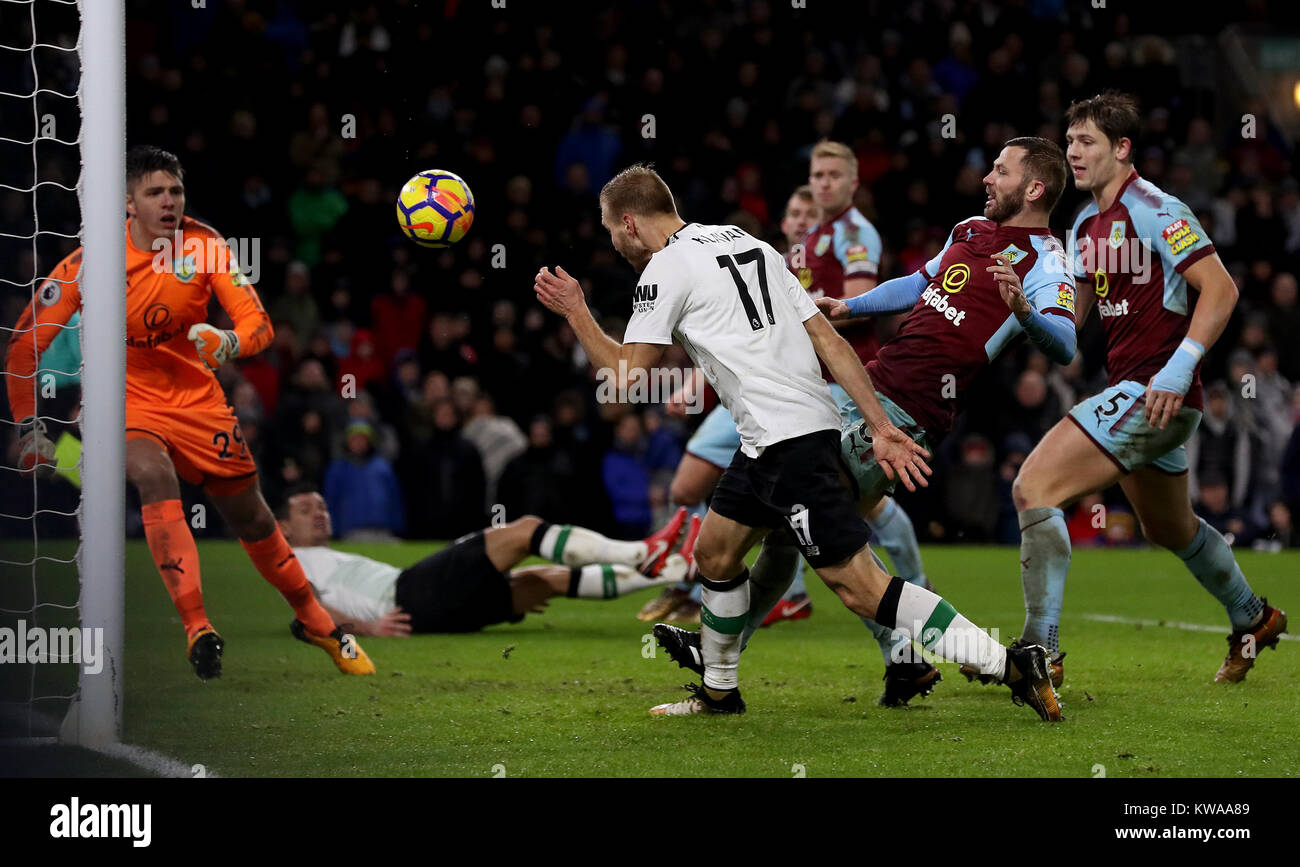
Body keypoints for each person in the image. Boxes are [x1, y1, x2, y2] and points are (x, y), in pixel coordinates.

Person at [535, 163, 1061, 720]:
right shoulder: (749, 243)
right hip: (775, 437)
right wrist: (878, 427)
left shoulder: (663, 270)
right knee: (714, 553)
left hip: (791, 446)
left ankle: (1009, 663)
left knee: (859, 586)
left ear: (630, 222)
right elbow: (827, 340)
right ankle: (719, 691)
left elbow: (625, 376)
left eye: (611, 231)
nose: (614, 243)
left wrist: (576, 311)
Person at [659, 138, 1081, 704]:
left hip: (908, 412)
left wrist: (1026, 312)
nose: (987, 179)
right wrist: (850, 307)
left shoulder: (1048, 261)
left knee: (820, 540)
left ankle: (971, 660)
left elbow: (1066, 345)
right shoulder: (970, 231)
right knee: (792, 537)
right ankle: (741, 662)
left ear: (1034, 189)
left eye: (1001, 172)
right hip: (872, 385)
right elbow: (918, 286)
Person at [6, 145, 373, 681]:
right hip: (126, 403)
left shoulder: (207, 248)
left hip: (199, 403)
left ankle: (316, 621)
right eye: (155, 191)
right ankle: (198, 627)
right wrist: (29, 426)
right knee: (154, 476)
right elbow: (22, 349)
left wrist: (228, 340)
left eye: (175, 190)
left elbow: (260, 326)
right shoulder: (90, 263)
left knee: (252, 517)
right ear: (128, 202)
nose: (169, 201)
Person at [1010, 92, 1286, 685]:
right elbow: (1070, 328)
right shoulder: (1085, 222)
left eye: (1086, 141)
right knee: (1169, 529)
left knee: (1034, 487)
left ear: (1122, 148)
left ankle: (1040, 651)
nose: (1072, 152)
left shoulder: (1159, 207)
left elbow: (1221, 290)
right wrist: (1025, 313)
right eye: (1070, 140)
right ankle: (1253, 616)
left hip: (1156, 391)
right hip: (1144, 398)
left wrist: (1182, 365)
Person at [276, 490, 697, 634]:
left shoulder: (324, 555)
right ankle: (641, 553)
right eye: (306, 510)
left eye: (322, 507)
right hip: (411, 594)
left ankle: (672, 571)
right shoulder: (290, 560)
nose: (319, 514)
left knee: (539, 581)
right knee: (522, 531)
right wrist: (368, 629)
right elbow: (306, 616)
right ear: (283, 527)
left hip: (428, 613)